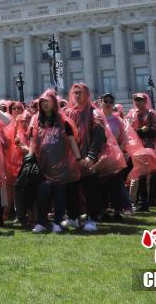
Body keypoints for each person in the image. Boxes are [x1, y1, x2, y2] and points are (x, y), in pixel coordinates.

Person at [29, 90, 81, 234]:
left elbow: (71, 141)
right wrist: (30, 158)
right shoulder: (36, 121)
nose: (45, 104)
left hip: (60, 165)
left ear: (54, 103)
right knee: (42, 195)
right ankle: (41, 222)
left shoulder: (64, 122)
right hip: (42, 165)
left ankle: (57, 222)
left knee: (59, 195)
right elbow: (32, 141)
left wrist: (78, 159)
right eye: (42, 102)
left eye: (48, 101)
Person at [63, 83, 106, 232]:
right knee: (72, 190)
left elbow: (99, 136)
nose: (76, 95)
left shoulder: (94, 112)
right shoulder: (68, 113)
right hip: (73, 160)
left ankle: (92, 218)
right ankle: (73, 217)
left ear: (86, 94)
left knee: (90, 191)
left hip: (88, 159)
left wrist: (91, 156)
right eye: (74, 93)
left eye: (80, 93)